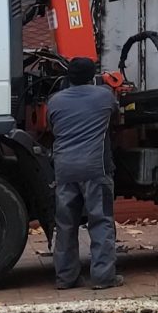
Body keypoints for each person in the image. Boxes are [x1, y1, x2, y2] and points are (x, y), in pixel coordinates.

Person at [45, 56, 123, 290]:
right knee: (100, 221)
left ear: (69, 76)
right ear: (92, 76)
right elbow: (115, 120)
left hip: (64, 170)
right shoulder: (104, 96)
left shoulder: (54, 101)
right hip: (95, 168)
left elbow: (52, 128)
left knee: (65, 225)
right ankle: (103, 277)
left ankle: (65, 278)